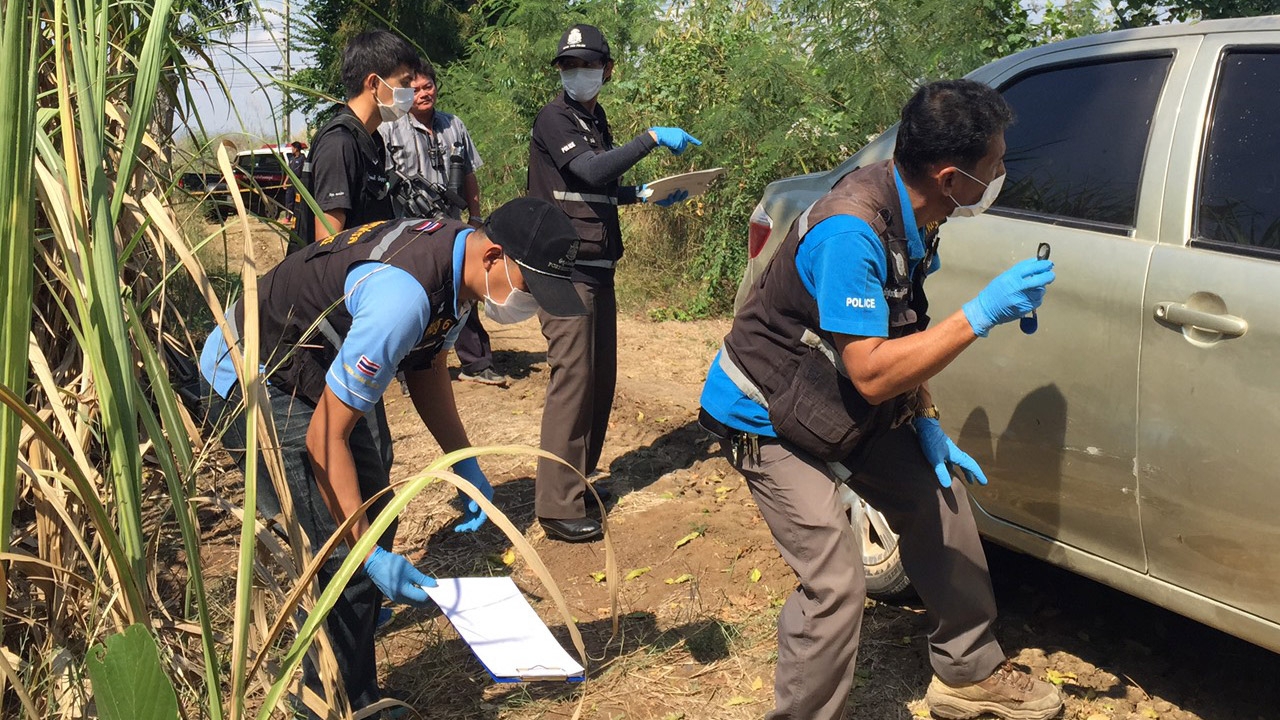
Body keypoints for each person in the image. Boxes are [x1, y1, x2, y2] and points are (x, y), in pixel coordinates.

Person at [697, 79, 1063, 720]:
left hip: (829, 399)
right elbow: (868, 372)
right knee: (836, 582)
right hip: (765, 416)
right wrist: (979, 314)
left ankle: (967, 672)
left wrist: (924, 417)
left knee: (940, 496)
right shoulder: (851, 232)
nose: (1003, 173)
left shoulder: (911, 211)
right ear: (951, 178)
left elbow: (899, 325)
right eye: (995, 166)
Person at [199, 197, 585, 713]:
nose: (531, 305)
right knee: (339, 555)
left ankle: (347, 676)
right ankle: (333, 705)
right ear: (494, 257)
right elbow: (322, 440)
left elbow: (426, 365)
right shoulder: (402, 298)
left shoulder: (456, 261)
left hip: (310, 371)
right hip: (252, 377)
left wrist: (463, 461)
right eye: (532, 288)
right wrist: (368, 554)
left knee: (374, 506)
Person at [527, 23, 701, 543]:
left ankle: (577, 483)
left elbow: (591, 188)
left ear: (607, 69)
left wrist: (641, 195)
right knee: (573, 383)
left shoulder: (592, 116)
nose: (577, 73)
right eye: (568, 66)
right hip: (563, 271)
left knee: (600, 381)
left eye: (587, 65)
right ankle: (556, 506)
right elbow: (593, 170)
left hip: (598, 269)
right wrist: (649, 138)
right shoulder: (555, 116)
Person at [380, 62, 509, 387]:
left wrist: (476, 218)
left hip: (451, 226)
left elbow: (469, 176)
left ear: (436, 87)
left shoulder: (454, 125)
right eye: (415, 89)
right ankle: (410, 371)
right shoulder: (389, 127)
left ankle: (477, 363)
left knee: (464, 292)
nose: (423, 94)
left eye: (428, 87)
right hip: (407, 231)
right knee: (412, 300)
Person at [296, 30, 421, 246]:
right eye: (405, 82)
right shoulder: (339, 143)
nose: (412, 91)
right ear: (374, 83)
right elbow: (328, 246)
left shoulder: (372, 140)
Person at [284, 140, 306, 223]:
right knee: (289, 200)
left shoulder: (302, 158)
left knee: (298, 201)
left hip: (298, 183)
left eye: (292, 148)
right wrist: (285, 182)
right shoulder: (291, 159)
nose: (291, 149)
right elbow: (289, 172)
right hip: (290, 183)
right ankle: (288, 217)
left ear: (296, 149)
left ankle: (297, 217)